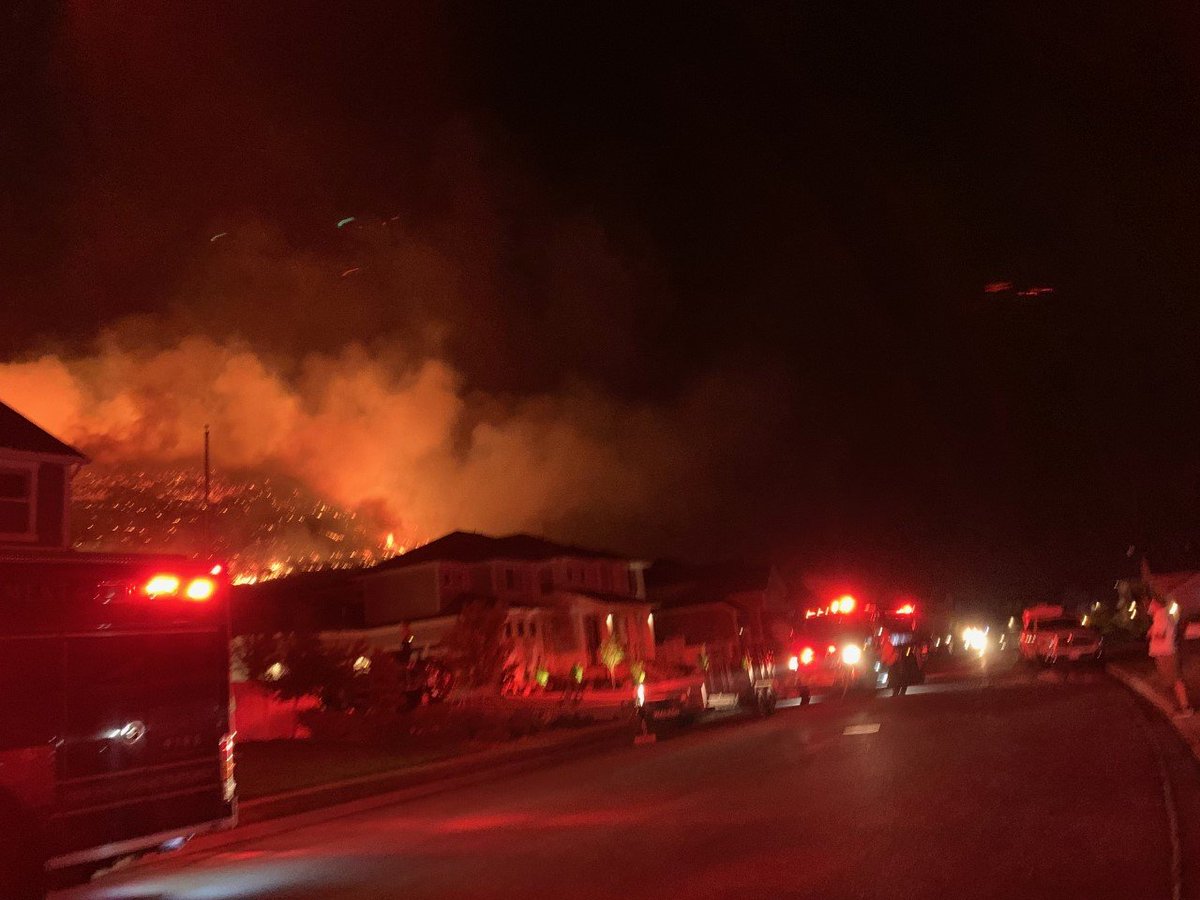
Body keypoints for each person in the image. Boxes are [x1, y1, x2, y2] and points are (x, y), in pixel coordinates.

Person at [1148, 595, 1194, 717]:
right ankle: (1182, 706)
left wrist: (1153, 633)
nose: (1149, 607)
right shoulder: (1160, 615)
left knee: (1176, 680)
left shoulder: (1162, 614)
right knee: (1172, 681)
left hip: (1167, 653)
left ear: (1156, 604)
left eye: (1151, 604)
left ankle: (1186, 708)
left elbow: (1161, 634)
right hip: (1164, 653)